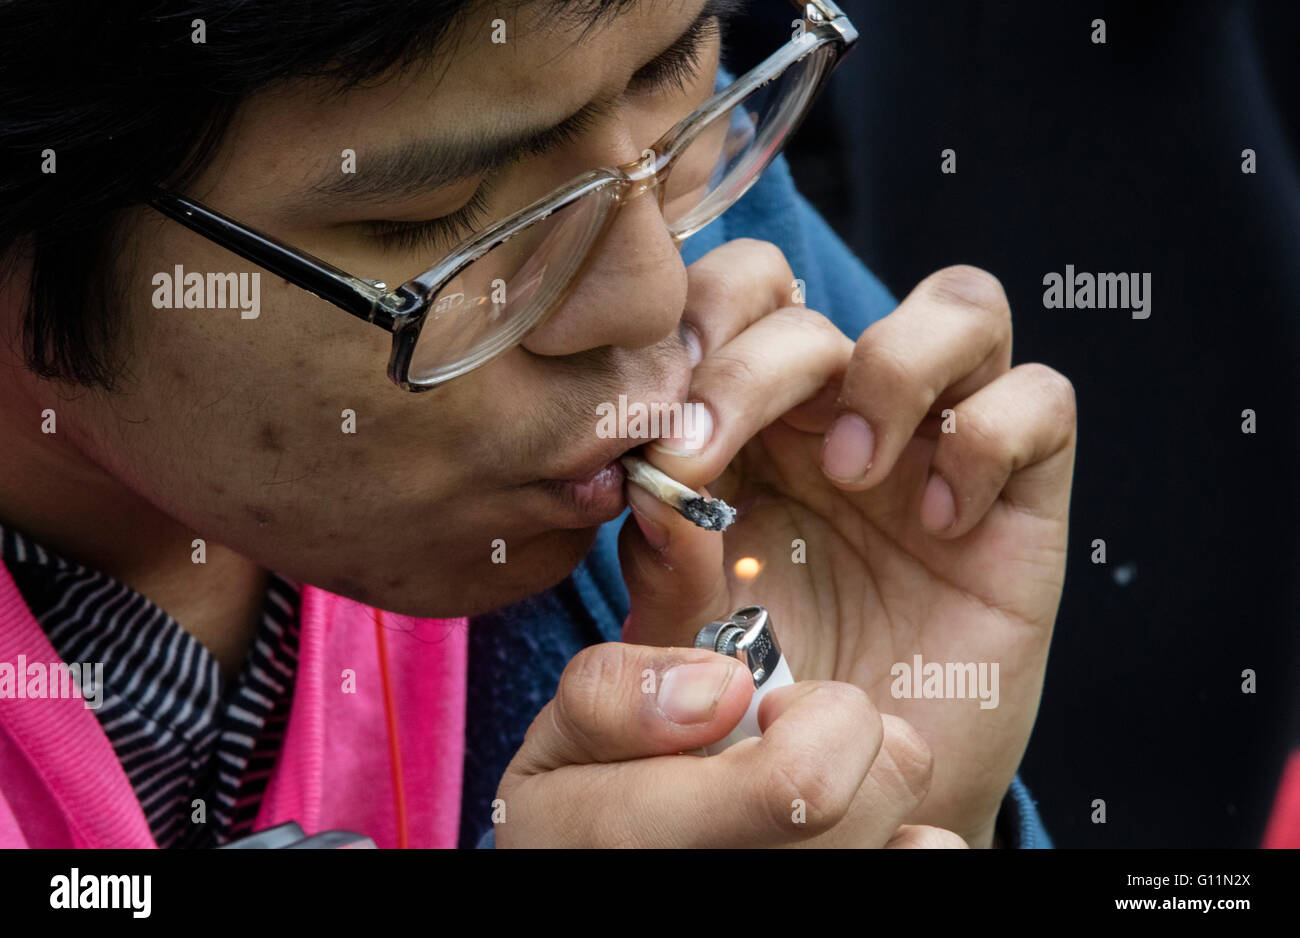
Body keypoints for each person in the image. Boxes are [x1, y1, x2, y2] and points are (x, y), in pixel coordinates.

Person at [0, 0, 1075, 849]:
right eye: (439, 219)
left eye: (676, 71)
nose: (655, 295)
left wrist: (916, 808)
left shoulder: (755, 309)